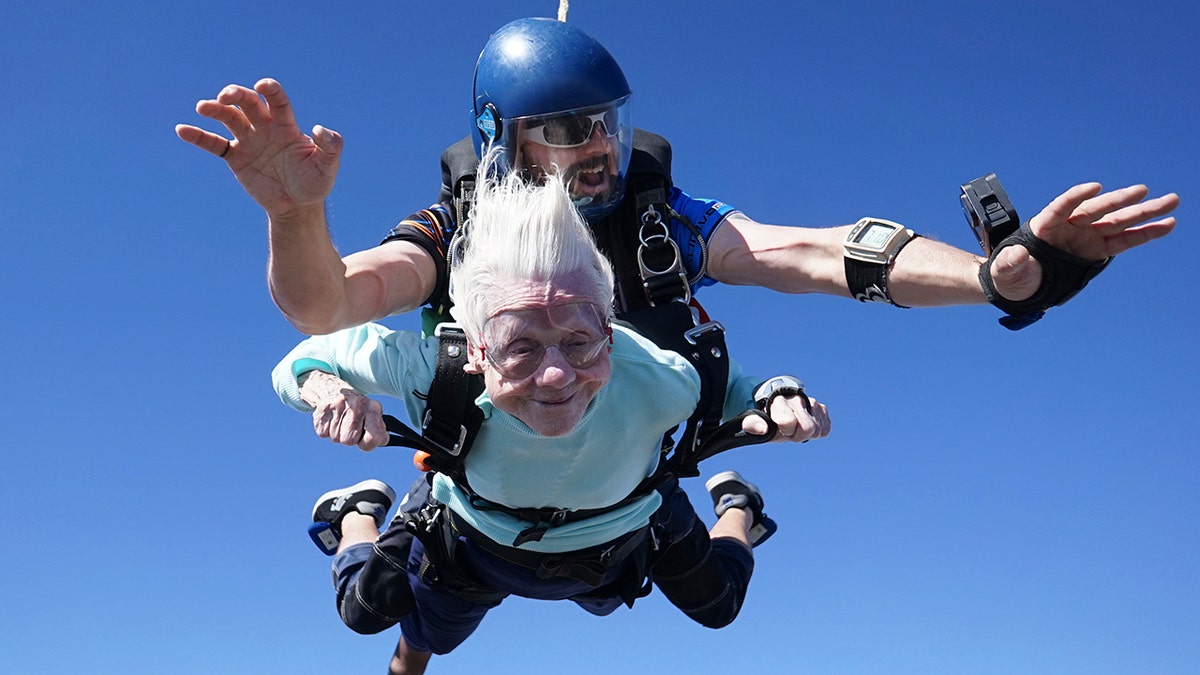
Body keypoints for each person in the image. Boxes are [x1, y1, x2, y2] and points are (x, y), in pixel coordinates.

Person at [176, 17, 1178, 339]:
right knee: (437, 594)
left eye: (605, 125)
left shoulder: (665, 218)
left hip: (624, 489)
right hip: (488, 482)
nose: (599, 150)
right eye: (564, 132)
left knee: (706, 597)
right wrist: (297, 220)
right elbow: (329, 305)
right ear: (501, 143)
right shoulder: (458, 222)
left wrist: (997, 277)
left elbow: (822, 254)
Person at [271, 162, 831, 673]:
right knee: (370, 612)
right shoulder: (431, 368)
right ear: (475, 350)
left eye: (580, 341)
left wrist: (780, 396)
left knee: (719, 604)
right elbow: (304, 356)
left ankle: (739, 510)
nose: (558, 375)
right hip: (474, 540)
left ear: (611, 337)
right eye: (522, 348)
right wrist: (328, 390)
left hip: (620, 535)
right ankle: (355, 514)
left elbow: (733, 387)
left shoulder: (660, 374)